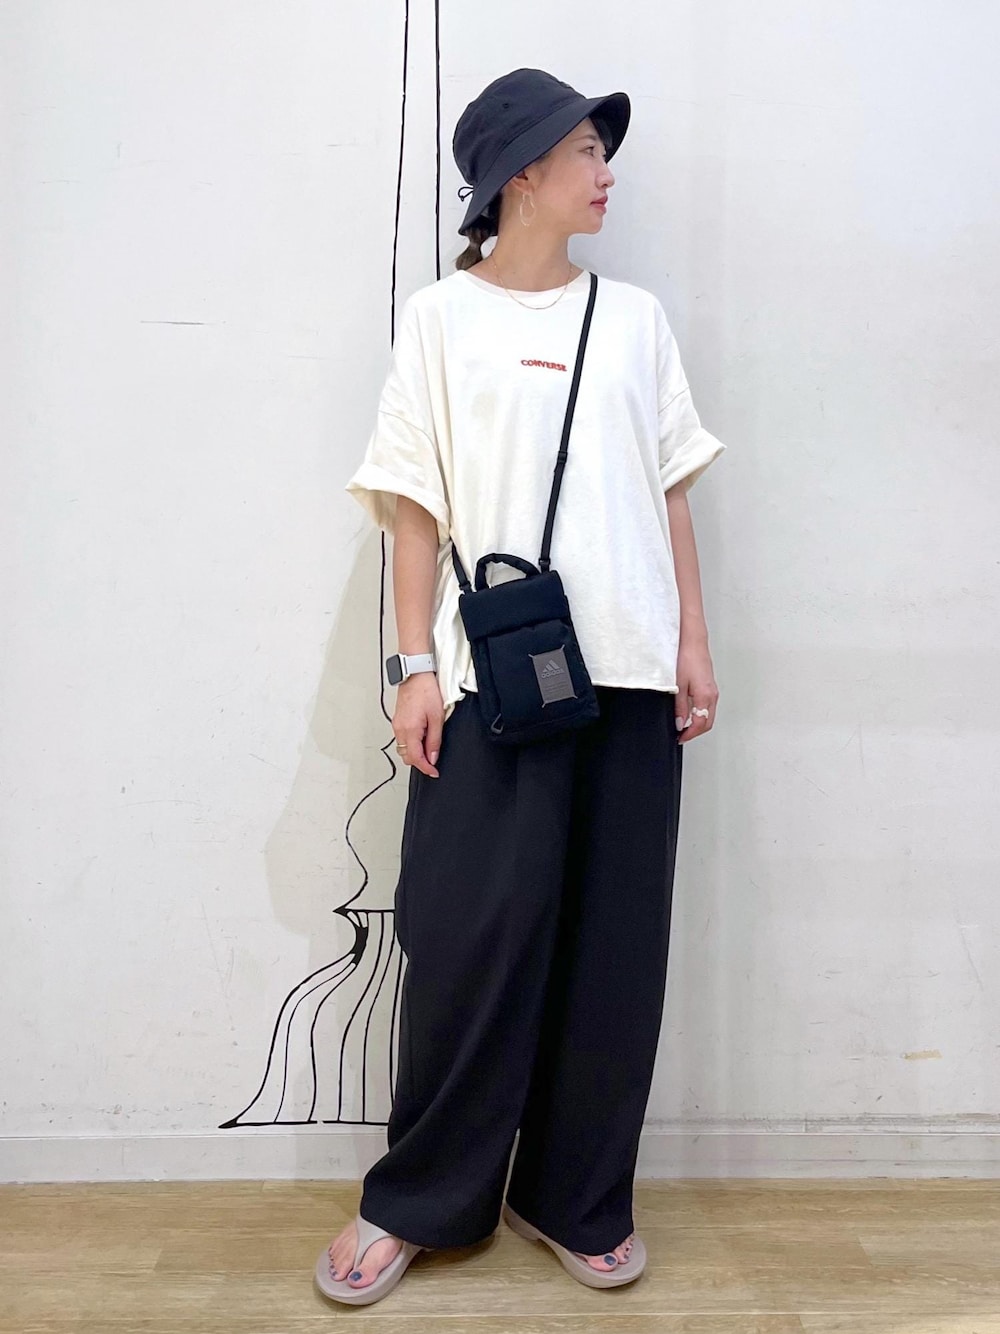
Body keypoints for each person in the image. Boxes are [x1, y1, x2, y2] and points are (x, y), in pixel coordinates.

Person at [316, 67, 726, 1306]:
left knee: (613, 947)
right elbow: (412, 503)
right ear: (522, 174)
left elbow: (667, 489)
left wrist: (692, 638)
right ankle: (419, 1195)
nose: (607, 171)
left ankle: (576, 1194)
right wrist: (412, 664)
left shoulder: (635, 320)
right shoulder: (439, 319)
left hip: (629, 669)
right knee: (467, 939)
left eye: (604, 150)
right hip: (489, 674)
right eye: (587, 150)